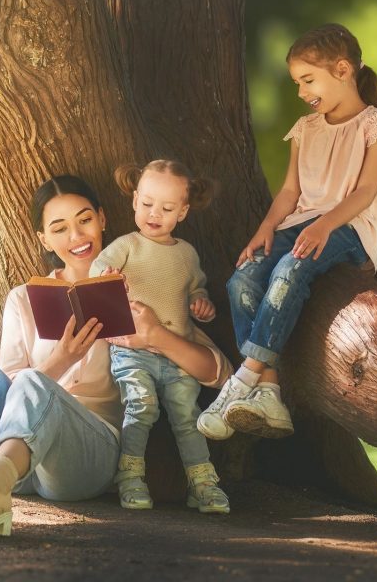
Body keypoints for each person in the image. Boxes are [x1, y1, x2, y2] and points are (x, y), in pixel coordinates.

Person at [0, 175, 229, 536]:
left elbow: (219, 373)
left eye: (84, 220)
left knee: (31, 381)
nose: (76, 237)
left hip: (82, 460)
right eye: (60, 228)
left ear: (101, 218)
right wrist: (64, 358)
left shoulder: (141, 293)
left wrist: (156, 334)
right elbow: (7, 391)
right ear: (44, 239)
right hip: (9, 463)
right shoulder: (23, 299)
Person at [198, 23, 377, 441]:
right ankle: (270, 392)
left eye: (308, 80)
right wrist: (266, 229)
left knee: (289, 271)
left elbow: (365, 192)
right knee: (242, 280)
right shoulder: (305, 129)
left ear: (343, 69)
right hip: (300, 224)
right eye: (296, 82)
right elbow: (290, 191)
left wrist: (327, 224)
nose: (301, 91)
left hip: (348, 228)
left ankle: (240, 382)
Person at [91, 160, 234, 514]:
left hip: (175, 351)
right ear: (135, 200)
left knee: (187, 414)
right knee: (142, 407)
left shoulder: (186, 254)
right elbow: (97, 272)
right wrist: (107, 277)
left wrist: (201, 304)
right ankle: (129, 477)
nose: (155, 214)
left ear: (183, 211)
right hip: (132, 350)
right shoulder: (128, 246)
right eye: (148, 204)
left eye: (167, 208)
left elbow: (196, 290)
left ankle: (203, 483)